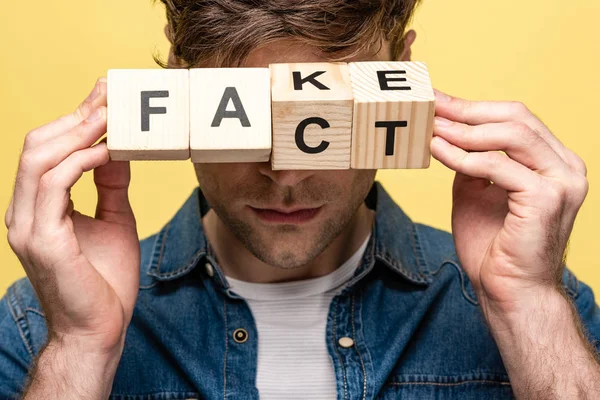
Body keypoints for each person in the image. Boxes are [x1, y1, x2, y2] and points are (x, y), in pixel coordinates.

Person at [1, 0, 599, 398]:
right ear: (180, 80)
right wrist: (80, 350)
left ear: (400, 71)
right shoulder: (37, 329)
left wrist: (530, 315)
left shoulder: (544, 311)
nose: (284, 175)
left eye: (323, 120)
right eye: (251, 117)